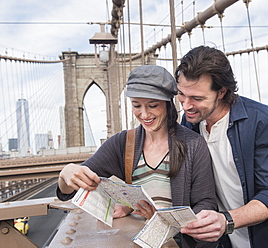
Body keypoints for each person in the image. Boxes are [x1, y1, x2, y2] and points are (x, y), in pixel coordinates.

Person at [57, 65, 218, 247]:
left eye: (153, 105)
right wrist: (66, 172)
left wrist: (162, 221)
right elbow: (68, 190)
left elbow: (206, 204)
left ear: (167, 103)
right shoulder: (123, 143)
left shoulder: (194, 144)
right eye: (136, 105)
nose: (144, 114)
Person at [175, 46, 268, 248]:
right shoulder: (190, 122)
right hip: (223, 243)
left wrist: (225, 220)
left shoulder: (262, 121)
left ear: (222, 92)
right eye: (181, 94)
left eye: (197, 98)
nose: (185, 105)